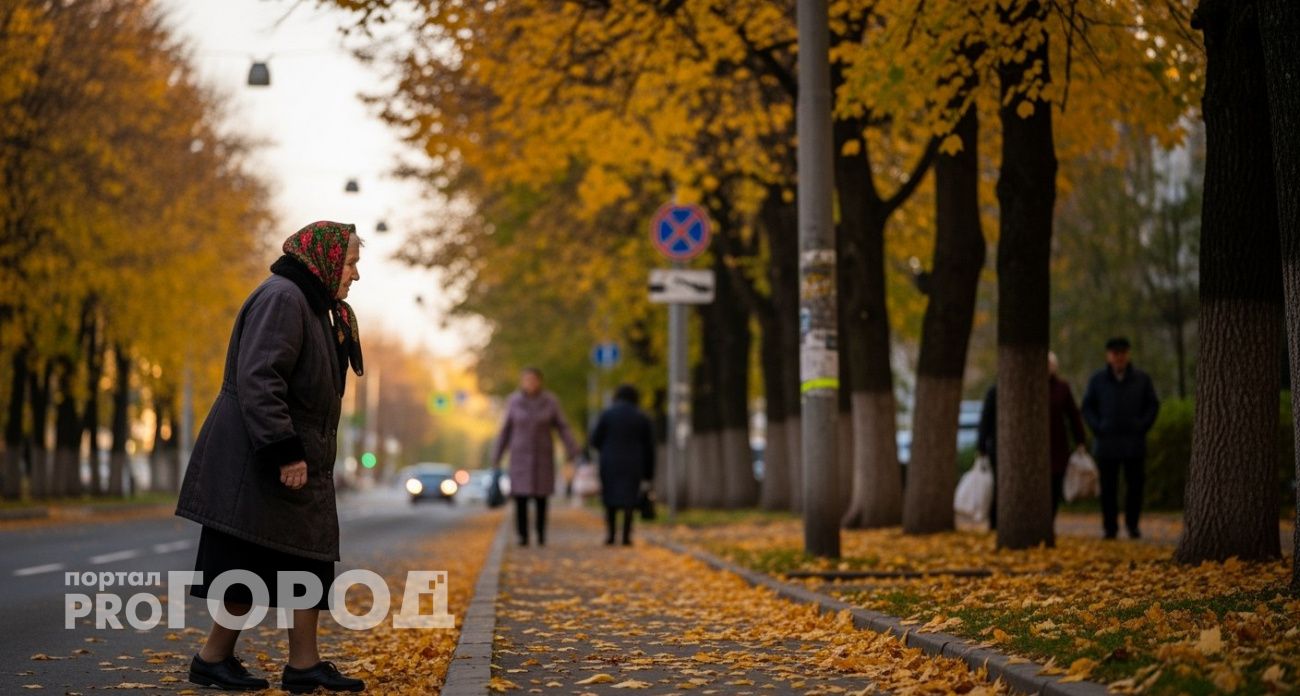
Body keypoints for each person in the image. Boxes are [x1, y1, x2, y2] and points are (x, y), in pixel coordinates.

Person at [175, 221, 366, 693]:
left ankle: (303, 665)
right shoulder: (285, 298)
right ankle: (213, 658)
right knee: (250, 562)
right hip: (260, 456)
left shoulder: (313, 304)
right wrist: (285, 451)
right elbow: (260, 379)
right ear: (322, 259)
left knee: (305, 560)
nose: (356, 275)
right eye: (350, 263)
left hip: (293, 453)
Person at [1081, 337, 1160, 539]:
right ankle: (1110, 527)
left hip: (1134, 442)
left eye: (1122, 353)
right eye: (1115, 353)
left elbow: (1152, 405)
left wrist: (1141, 425)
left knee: (1135, 486)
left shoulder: (1141, 379)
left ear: (1128, 354)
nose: (1119, 357)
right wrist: (1098, 427)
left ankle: (1132, 525)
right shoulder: (1098, 380)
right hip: (1106, 443)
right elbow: (1087, 407)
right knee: (1108, 488)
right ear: (1108, 356)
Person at [492, 367, 580, 546]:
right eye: (527, 380)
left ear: (540, 381)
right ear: (522, 382)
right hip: (520, 457)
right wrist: (497, 455)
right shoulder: (514, 401)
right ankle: (523, 536)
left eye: (534, 380)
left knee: (542, 497)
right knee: (520, 498)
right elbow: (505, 430)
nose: (530, 383)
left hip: (542, 456)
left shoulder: (550, 401)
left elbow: (562, 427)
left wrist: (573, 449)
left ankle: (541, 535)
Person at [589, 384, 656, 546]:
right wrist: (649, 472)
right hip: (634, 462)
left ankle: (611, 535)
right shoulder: (641, 417)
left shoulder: (607, 414)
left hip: (610, 461)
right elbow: (649, 446)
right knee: (629, 499)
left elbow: (594, 440)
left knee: (610, 497)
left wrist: (606, 450)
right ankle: (626, 536)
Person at [1048, 352, 1088, 519]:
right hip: (1036, 448)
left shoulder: (1062, 388)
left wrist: (1080, 440)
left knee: (1056, 483)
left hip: (1057, 444)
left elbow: (1073, 415)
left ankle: (1050, 519)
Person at [975, 384, 998, 528]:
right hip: (996, 448)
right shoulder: (994, 392)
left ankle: (995, 522)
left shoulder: (994, 391)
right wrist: (981, 446)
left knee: (996, 488)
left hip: (995, 446)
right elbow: (985, 420)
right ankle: (995, 522)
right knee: (995, 487)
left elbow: (985, 420)